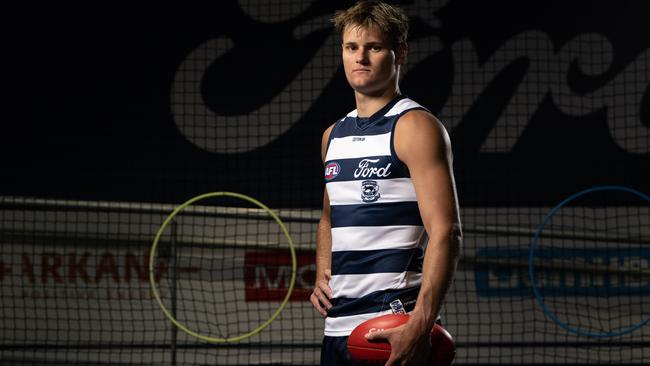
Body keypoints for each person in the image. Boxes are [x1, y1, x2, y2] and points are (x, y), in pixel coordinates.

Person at [309, 1, 463, 365]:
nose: (360, 57)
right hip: (337, 329)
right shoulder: (333, 135)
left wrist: (420, 325)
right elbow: (330, 218)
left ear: (399, 54)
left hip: (392, 323)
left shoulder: (414, 126)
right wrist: (321, 272)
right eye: (351, 48)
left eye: (374, 47)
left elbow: (447, 231)